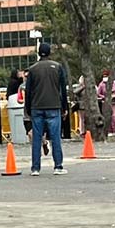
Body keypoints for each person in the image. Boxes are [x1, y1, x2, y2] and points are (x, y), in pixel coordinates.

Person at [24, 42, 68, 175]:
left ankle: (35, 168)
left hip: (37, 107)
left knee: (37, 138)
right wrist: (64, 107)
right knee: (55, 138)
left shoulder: (32, 69)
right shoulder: (57, 67)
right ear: (50, 52)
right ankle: (58, 166)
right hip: (54, 106)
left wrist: (28, 108)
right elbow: (62, 89)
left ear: (38, 53)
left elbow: (28, 91)